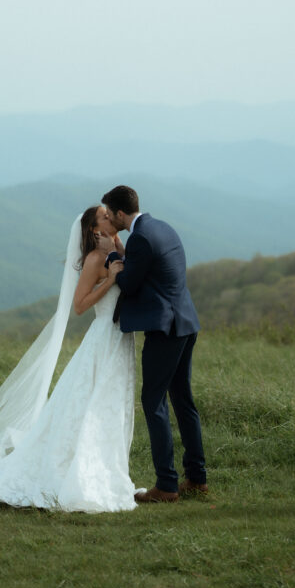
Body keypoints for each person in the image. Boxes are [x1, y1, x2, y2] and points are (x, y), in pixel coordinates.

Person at [0, 206, 138, 512]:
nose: (111, 219)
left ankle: (106, 471)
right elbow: (79, 306)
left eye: (110, 215)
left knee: (111, 407)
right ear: (93, 230)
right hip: (102, 340)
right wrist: (110, 280)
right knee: (90, 406)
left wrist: (117, 253)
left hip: (120, 341)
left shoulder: (115, 251)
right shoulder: (95, 260)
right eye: (104, 217)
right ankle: (78, 475)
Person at [100, 185, 207, 502]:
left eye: (109, 214)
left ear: (121, 214)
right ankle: (197, 478)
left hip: (166, 329)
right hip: (186, 322)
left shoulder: (141, 238)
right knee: (183, 400)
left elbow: (130, 284)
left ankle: (167, 485)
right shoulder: (162, 227)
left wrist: (111, 257)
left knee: (153, 401)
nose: (107, 218)